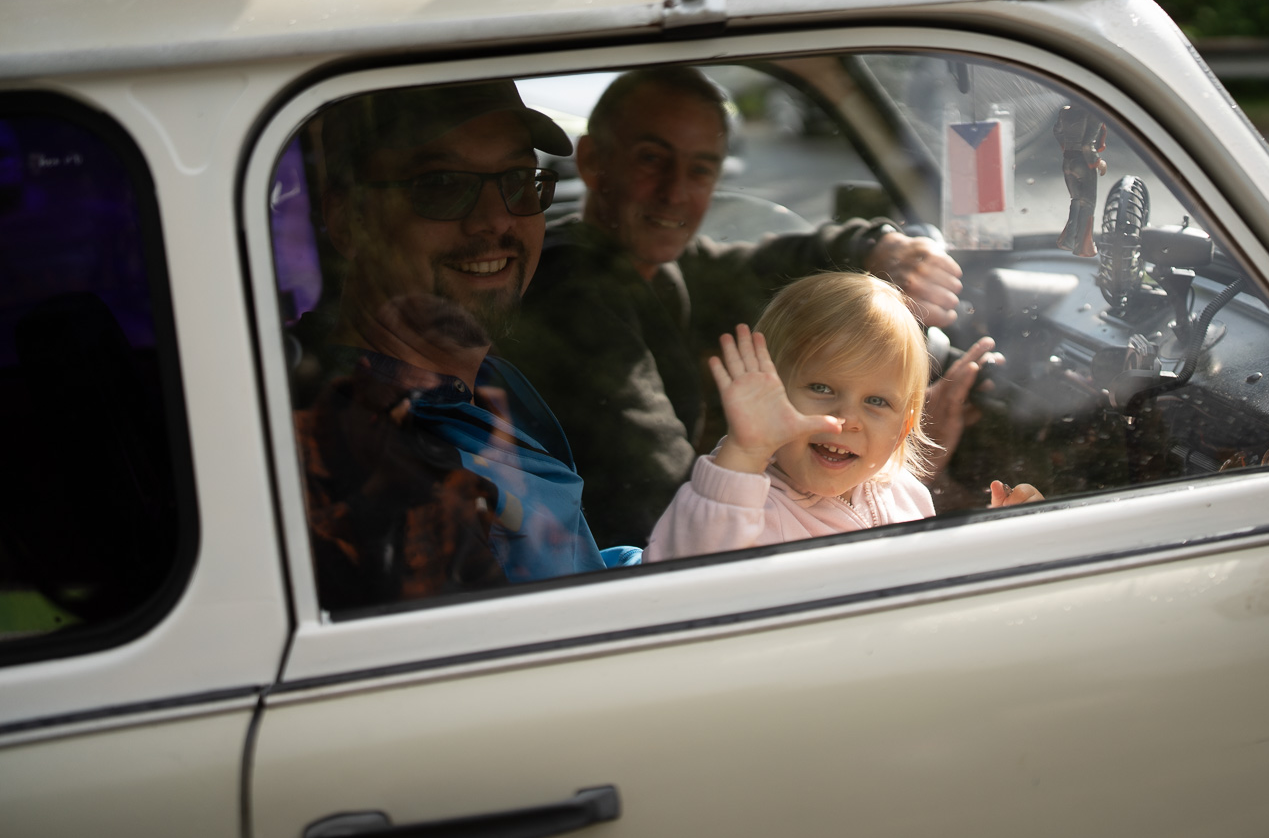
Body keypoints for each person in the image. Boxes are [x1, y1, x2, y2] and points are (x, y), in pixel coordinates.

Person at [502, 65, 991, 549]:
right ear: (593, 162)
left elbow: (751, 266)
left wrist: (873, 247)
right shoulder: (573, 290)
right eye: (651, 160)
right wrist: (759, 454)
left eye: (700, 169)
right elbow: (657, 503)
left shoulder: (654, 264)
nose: (675, 192)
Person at [293, 80, 638, 612]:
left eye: (518, 180)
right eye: (441, 184)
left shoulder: (491, 386)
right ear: (349, 219)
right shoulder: (362, 461)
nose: (495, 219)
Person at [646, 273, 1040, 562]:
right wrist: (745, 453)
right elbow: (686, 580)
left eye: (876, 401)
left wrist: (998, 545)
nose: (846, 419)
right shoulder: (743, 506)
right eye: (821, 388)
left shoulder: (904, 493)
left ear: (904, 426)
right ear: (767, 395)